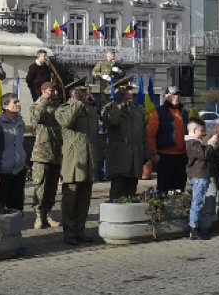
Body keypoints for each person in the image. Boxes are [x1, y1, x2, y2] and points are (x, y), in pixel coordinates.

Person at [55, 78, 99, 245]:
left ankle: (80, 230)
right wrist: (75, 102)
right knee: (70, 199)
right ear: (74, 93)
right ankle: (69, 232)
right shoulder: (64, 109)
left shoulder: (89, 109)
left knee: (84, 199)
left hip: (88, 158)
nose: (86, 94)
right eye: (82, 92)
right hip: (73, 160)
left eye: (86, 91)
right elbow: (66, 122)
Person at [102, 86, 149, 201]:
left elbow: (144, 134)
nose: (130, 92)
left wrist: (146, 154)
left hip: (135, 158)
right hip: (119, 158)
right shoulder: (110, 108)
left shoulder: (138, 110)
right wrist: (117, 103)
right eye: (127, 90)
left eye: (130, 90)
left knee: (131, 192)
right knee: (117, 191)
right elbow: (113, 122)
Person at [184, 120, 219, 240]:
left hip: (201, 175)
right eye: (201, 130)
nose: (202, 133)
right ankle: (194, 229)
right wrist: (211, 144)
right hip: (199, 176)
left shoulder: (195, 143)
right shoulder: (192, 143)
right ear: (193, 130)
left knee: (199, 202)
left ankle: (196, 228)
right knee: (197, 203)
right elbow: (204, 155)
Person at [0, 93, 27, 211]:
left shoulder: (20, 122)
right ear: (5, 106)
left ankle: (15, 229)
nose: (18, 104)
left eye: (18, 101)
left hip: (18, 172)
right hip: (1, 174)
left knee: (16, 208)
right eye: (15, 102)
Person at [29, 82, 62, 229]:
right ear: (43, 91)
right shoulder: (37, 105)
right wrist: (44, 99)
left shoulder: (56, 106)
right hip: (41, 153)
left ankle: (48, 214)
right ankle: (38, 215)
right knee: (40, 187)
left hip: (56, 152)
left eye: (55, 90)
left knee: (52, 187)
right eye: (51, 90)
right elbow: (36, 119)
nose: (54, 92)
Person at [147, 86, 188, 193]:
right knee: (164, 189)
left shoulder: (184, 112)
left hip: (181, 156)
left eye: (177, 94)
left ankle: (178, 208)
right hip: (164, 156)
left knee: (179, 187)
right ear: (166, 97)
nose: (176, 97)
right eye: (173, 95)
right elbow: (150, 134)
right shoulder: (158, 112)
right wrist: (153, 153)